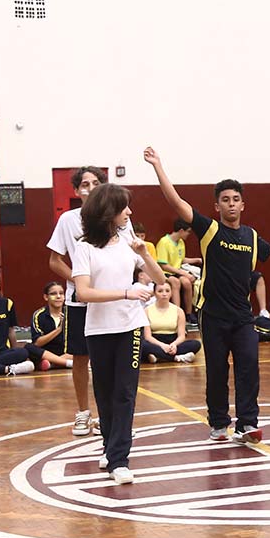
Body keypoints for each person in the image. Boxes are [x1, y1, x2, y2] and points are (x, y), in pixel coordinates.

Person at [144, 147, 270, 443]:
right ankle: (219, 423)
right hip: (213, 316)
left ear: (243, 205)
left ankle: (247, 423)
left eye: (235, 199)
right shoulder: (209, 230)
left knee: (249, 368)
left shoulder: (251, 236)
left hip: (243, 317)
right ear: (217, 206)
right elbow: (176, 202)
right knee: (217, 372)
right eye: (225, 200)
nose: (231, 204)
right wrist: (158, 166)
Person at [71, 183, 165, 484]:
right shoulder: (84, 247)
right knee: (105, 392)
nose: (130, 212)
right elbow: (84, 293)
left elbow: (160, 279)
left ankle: (119, 459)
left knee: (125, 392)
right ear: (108, 211)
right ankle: (110, 447)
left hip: (130, 327)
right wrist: (126, 292)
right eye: (124, 207)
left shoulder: (128, 242)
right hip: (98, 329)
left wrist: (145, 254)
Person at [48, 166, 124, 437]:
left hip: (111, 300)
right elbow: (55, 261)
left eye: (95, 183)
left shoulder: (118, 218)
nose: (90, 188)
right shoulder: (68, 220)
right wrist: (81, 280)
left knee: (112, 359)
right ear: (76, 190)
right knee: (80, 357)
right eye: (84, 184)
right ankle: (83, 413)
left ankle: (110, 415)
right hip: (80, 301)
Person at [141, 281, 201, 363]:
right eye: (160, 291)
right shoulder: (146, 311)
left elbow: (181, 336)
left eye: (167, 291)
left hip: (172, 341)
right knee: (143, 345)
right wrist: (162, 346)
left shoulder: (179, 311)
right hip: (155, 342)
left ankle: (159, 356)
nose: (164, 294)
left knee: (196, 344)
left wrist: (174, 345)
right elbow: (148, 336)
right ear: (154, 293)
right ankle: (177, 357)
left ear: (171, 293)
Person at [154, 218, 200, 322]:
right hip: (165, 273)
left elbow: (181, 259)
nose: (188, 234)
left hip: (176, 271)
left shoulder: (181, 242)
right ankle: (176, 313)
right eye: (188, 231)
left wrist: (196, 260)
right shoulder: (164, 242)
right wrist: (183, 272)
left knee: (187, 282)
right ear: (181, 231)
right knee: (176, 282)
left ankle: (188, 314)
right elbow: (163, 265)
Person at [29, 282, 75, 369]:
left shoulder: (71, 313)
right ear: (46, 297)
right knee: (29, 348)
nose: (58, 296)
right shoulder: (39, 315)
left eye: (61, 293)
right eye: (53, 294)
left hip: (66, 353)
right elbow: (37, 343)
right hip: (46, 353)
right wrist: (59, 329)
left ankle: (52, 363)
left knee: (82, 349)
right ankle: (65, 363)